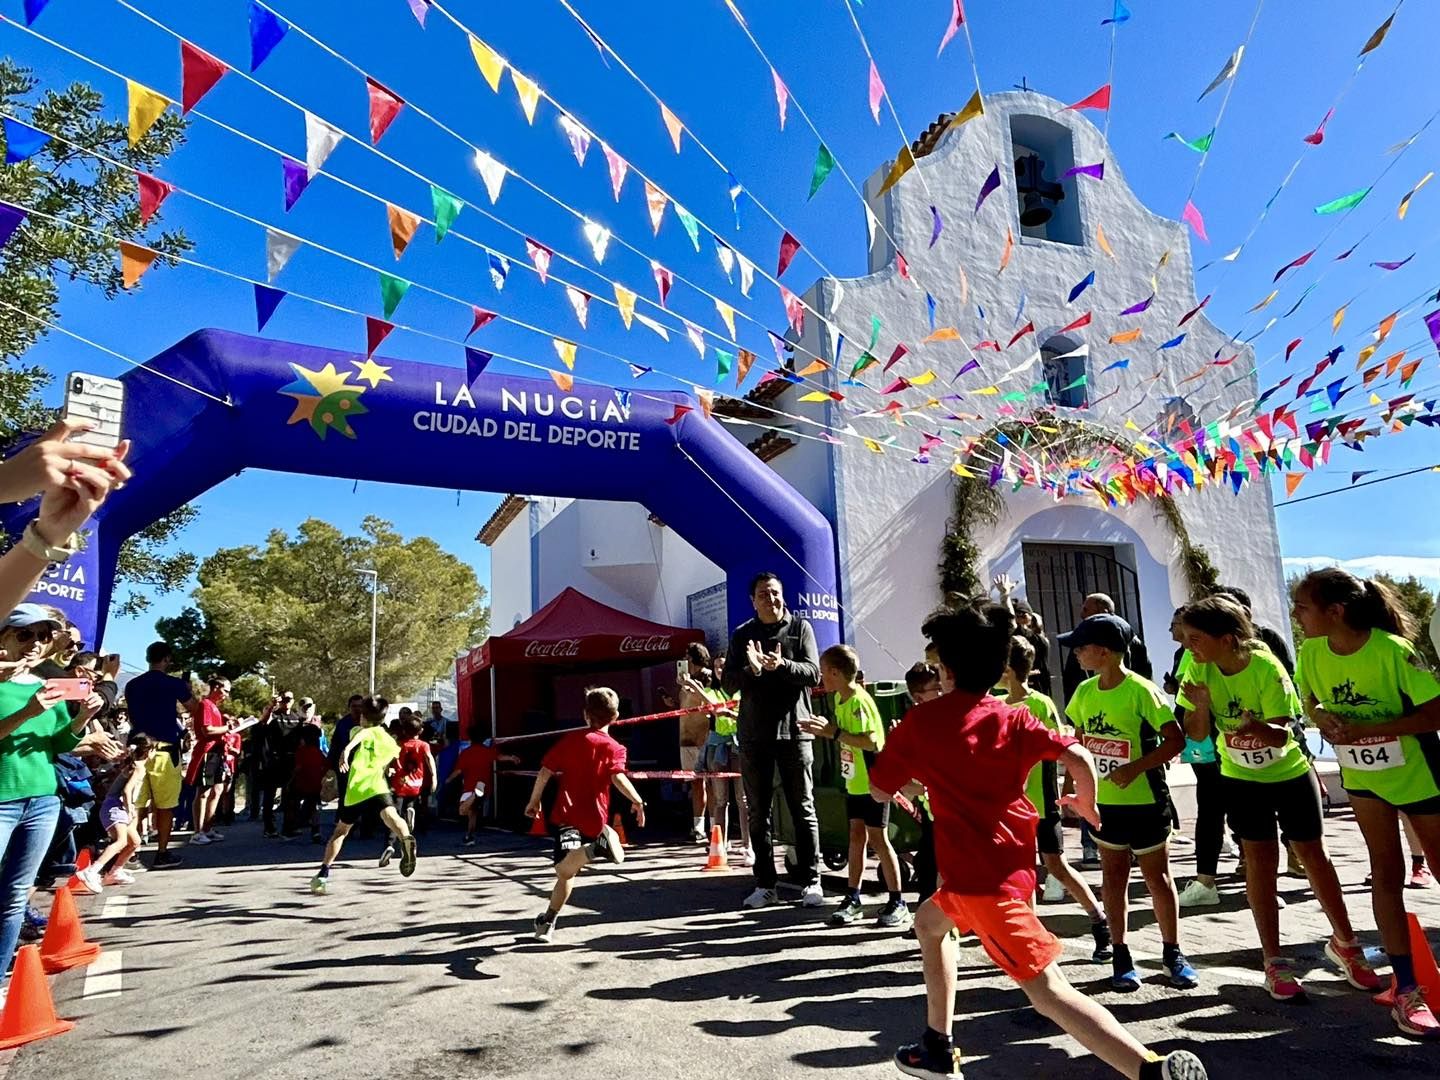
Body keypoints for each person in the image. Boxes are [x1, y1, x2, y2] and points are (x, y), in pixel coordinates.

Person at [869, 602, 1207, 1080]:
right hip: (988, 876)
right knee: (929, 924)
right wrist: (1086, 804)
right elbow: (1077, 755)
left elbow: (879, 788)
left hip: (984, 890)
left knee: (1049, 992)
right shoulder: (1016, 718)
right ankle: (937, 1044)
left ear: (944, 669)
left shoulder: (920, 723)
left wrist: (909, 783)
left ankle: (1148, 1069)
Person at [1178, 596, 1379, 1002]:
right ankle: (1274, 959)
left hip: (1288, 773)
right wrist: (1200, 706)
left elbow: (1282, 735)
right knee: (1260, 861)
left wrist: (1254, 726)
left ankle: (1346, 944)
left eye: (1196, 639)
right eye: (1186, 639)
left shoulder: (1266, 666)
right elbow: (1197, 734)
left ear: (1229, 639)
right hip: (1239, 776)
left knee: (1312, 855)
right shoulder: (1196, 666)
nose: (1189, 647)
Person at [1293, 568, 1440, 1037]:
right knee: (1385, 874)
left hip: (1419, 775)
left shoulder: (1393, 650)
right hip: (1365, 777)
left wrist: (1373, 730)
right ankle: (1408, 990)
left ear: (1335, 612)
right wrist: (1326, 719)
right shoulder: (1311, 651)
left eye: (1302, 607)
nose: (1296, 615)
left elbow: (1436, 709)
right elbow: (1310, 699)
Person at [1062, 613, 1197, 993]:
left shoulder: (1142, 690)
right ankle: (1120, 955)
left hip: (1146, 802)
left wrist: (1135, 768)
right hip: (1106, 806)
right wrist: (1075, 790)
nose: (1075, 654)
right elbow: (1078, 742)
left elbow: (1175, 741)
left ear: (1103, 652)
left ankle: (1173, 953)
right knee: (1113, 878)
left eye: (1081, 647)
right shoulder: (1084, 693)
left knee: (1158, 878)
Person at [0, 605, 116, 985]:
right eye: (25, 634)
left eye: (43, 637)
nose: (35, 644)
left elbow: (61, 743)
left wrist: (83, 717)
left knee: (15, 897)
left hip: (43, 800)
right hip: (2, 800)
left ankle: (0, 979)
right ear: (4, 637)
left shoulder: (44, 685)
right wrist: (28, 712)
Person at [999, 636, 1112, 959]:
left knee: (1056, 864)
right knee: (1023, 871)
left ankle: (1099, 920)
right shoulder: (997, 705)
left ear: (1007, 669)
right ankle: (1029, 939)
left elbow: (1056, 752)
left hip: (1041, 800)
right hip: (1011, 807)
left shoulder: (1039, 704)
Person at [722, 572, 823, 910]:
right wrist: (751, 669)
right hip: (754, 735)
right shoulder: (742, 636)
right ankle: (765, 884)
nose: (771, 599)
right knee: (758, 813)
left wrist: (781, 665)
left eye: (775, 593)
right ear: (753, 601)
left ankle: (812, 880)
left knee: (803, 809)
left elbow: (813, 673)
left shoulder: (800, 628)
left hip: (795, 732)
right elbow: (728, 685)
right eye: (763, 594)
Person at [802, 644, 910, 930]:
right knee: (856, 837)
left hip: (873, 782)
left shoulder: (858, 700)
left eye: (823, 672)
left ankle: (898, 901)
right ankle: (853, 897)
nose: (821, 678)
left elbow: (873, 742)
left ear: (835, 673)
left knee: (878, 839)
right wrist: (829, 730)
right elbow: (844, 737)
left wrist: (833, 732)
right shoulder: (840, 698)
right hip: (854, 782)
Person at [526, 688, 646, 943]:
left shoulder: (571, 740)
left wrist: (534, 801)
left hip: (568, 817)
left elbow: (545, 771)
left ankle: (595, 850)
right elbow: (618, 777)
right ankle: (547, 921)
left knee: (562, 868)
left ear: (585, 714)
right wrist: (636, 800)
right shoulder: (615, 747)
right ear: (615, 717)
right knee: (568, 873)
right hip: (595, 820)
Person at [311, 698, 417, 893]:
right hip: (378, 786)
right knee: (391, 816)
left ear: (364, 717)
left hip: (357, 789)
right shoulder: (387, 739)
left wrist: (346, 752)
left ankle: (323, 873)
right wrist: (391, 770)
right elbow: (395, 761)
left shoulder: (358, 731)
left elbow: (358, 740)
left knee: (341, 831)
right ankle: (407, 839)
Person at [123, 642, 193, 868]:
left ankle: (129, 853)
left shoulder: (132, 685)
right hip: (165, 750)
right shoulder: (173, 684)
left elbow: (132, 716)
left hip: (139, 749)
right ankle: (162, 853)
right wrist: (187, 690)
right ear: (166, 659)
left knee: (135, 805)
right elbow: (195, 708)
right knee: (165, 806)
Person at [694, 656, 752, 865]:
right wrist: (694, 686)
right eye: (717, 666)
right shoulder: (712, 691)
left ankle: (748, 847)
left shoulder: (740, 691)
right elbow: (711, 705)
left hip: (739, 747)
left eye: (724, 666)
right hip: (718, 748)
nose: (720, 669)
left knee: (743, 800)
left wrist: (729, 713)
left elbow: (745, 716)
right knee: (720, 800)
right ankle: (720, 846)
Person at [903, 663, 943, 912]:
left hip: (954, 811)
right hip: (933, 812)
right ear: (919, 697)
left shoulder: (948, 718)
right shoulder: (914, 727)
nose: (943, 691)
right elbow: (906, 782)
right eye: (936, 688)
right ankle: (927, 920)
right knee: (928, 865)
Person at [1061, 593, 1153, 701]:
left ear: (1103, 612)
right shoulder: (1081, 638)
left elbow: (1143, 675)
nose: (1082, 614)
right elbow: (1071, 679)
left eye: (1086, 610)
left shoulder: (1130, 641)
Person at [89, 735, 151, 889]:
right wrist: (130, 809)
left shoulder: (131, 765)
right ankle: (92, 871)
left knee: (134, 842)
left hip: (117, 806)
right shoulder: (139, 767)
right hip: (116, 807)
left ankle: (115, 871)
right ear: (148, 752)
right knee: (121, 841)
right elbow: (127, 790)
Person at [447, 725, 520, 845]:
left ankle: (474, 796)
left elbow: (458, 771)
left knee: (463, 810)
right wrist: (512, 758)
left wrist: (447, 780)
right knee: (473, 812)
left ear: (470, 738)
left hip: (470, 787)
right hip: (485, 787)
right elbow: (500, 757)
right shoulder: (488, 751)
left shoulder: (466, 753)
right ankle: (469, 837)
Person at [381, 716, 436, 866]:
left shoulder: (398, 744)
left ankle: (389, 845)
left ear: (403, 730)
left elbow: (388, 760)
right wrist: (434, 778)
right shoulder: (424, 745)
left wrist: (387, 770)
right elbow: (429, 759)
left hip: (399, 784)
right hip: (416, 784)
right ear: (421, 730)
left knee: (393, 816)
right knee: (410, 804)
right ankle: (410, 811)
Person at [186, 678, 233, 846]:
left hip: (218, 752)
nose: (227, 695)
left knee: (218, 789)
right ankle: (197, 832)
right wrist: (228, 728)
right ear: (216, 687)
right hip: (208, 752)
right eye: (225, 690)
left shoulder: (214, 707)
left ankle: (207, 827)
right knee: (203, 791)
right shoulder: (205, 704)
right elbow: (207, 730)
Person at [677, 643, 715, 843]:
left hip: (703, 736)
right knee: (695, 784)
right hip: (686, 737)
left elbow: (708, 702)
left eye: (687, 655)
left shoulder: (708, 676)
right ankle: (698, 827)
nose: (685, 660)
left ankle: (715, 825)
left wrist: (691, 686)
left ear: (693, 657)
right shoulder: (684, 679)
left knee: (710, 783)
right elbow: (686, 705)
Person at [256, 691, 303, 838]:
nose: (286, 701)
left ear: (293, 700)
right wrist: (271, 706)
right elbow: (263, 721)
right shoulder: (274, 715)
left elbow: (301, 740)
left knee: (291, 795)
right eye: (284, 699)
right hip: (275, 760)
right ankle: (269, 826)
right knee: (270, 794)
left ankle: (289, 826)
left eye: (289, 699)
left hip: (292, 760)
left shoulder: (296, 718)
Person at [286, 724, 327, 842]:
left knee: (293, 802)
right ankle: (316, 831)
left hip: (302, 782)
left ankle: (293, 827)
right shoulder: (318, 752)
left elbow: (298, 767)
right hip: (316, 783)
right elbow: (324, 765)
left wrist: (290, 781)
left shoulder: (301, 751)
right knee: (314, 807)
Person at [1012, 599, 1052, 696]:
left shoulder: (1039, 640)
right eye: (1016, 616)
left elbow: (1043, 670)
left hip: (1034, 686)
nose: (1019, 619)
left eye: (1022, 615)